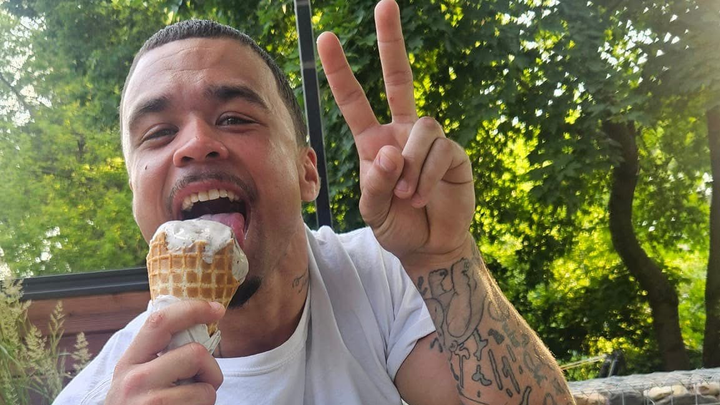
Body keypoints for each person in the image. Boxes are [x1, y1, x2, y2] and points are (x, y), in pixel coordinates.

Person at [54, 1, 574, 404]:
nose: (194, 144)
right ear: (136, 197)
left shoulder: (383, 274)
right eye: (158, 132)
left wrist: (445, 258)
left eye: (234, 118)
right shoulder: (94, 397)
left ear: (307, 173)